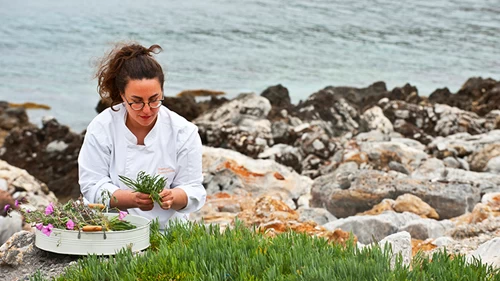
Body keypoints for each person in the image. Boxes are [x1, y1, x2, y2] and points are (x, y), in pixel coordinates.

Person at [78, 43, 206, 230]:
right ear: (122, 96)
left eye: (154, 100)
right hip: (112, 228)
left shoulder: (183, 132)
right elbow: (91, 186)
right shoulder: (102, 128)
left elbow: (194, 190)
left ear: (162, 92)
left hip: (168, 231)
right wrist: (131, 199)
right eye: (136, 102)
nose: (147, 110)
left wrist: (173, 196)